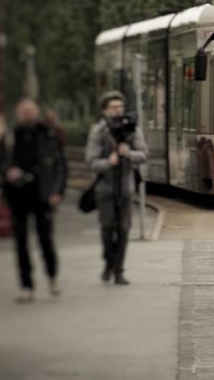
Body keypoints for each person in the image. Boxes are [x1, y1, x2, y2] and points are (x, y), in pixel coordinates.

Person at [0, 98, 67, 302]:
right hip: (17, 195)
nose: (28, 114)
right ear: (18, 114)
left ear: (37, 112)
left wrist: (58, 191)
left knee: (46, 239)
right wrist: (8, 171)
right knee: (21, 242)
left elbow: (60, 165)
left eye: (31, 110)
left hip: (43, 194)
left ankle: (52, 276)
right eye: (24, 111)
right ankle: (26, 285)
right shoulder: (10, 136)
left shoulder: (48, 134)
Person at [85, 91, 147, 285]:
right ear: (105, 110)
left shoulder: (132, 129)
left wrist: (129, 154)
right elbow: (91, 161)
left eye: (120, 106)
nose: (118, 110)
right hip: (105, 189)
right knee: (107, 228)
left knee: (123, 229)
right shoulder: (98, 131)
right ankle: (108, 262)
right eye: (113, 107)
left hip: (126, 188)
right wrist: (108, 162)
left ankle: (119, 270)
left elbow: (143, 154)